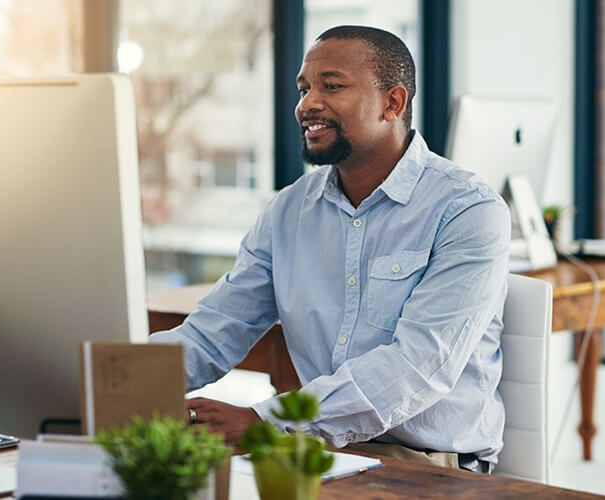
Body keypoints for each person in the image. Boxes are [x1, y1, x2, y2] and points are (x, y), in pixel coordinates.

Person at [150, 25, 511, 473]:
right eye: (304, 88)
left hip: (428, 466)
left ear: (392, 103)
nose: (307, 104)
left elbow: (418, 367)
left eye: (332, 86)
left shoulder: (466, 209)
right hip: (319, 453)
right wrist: (121, 381)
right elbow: (214, 331)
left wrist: (264, 421)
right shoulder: (288, 211)